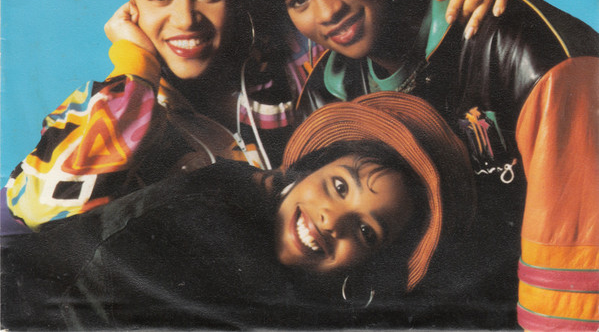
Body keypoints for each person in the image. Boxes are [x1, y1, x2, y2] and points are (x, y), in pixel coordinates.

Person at [5, 0, 526, 231]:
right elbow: (37, 205)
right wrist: (133, 70)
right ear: (132, 9)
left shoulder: (302, 65)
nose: (185, 20)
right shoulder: (117, 108)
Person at [238, 0, 599, 330]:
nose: (327, 12)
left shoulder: (521, 51)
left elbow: (572, 278)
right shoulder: (325, 100)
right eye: (298, 0)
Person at [2, 93, 475, 330]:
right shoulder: (208, 204)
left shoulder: (319, 307)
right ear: (307, 169)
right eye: (338, 186)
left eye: (367, 232)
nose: (333, 220)